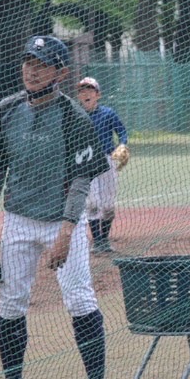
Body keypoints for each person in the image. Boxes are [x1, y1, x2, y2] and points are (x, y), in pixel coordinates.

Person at [0, 35, 116, 379]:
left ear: (61, 72)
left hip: (62, 222)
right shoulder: (7, 110)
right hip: (19, 220)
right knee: (11, 301)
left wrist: (68, 232)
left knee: (80, 299)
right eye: (28, 61)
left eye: (41, 64)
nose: (32, 69)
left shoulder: (74, 116)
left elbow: (81, 180)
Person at [76, 77, 129, 252]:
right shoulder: (75, 115)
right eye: (82, 91)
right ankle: (97, 241)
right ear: (79, 96)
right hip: (86, 162)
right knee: (92, 203)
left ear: (98, 95)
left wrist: (122, 144)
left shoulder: (108, 113)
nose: (86, 94)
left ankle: (104, 240)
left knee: (108, 205)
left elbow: (121, 130)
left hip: (107, 161)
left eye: (90, 90)